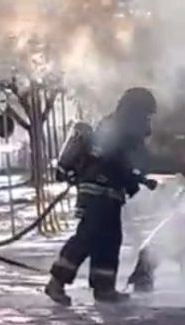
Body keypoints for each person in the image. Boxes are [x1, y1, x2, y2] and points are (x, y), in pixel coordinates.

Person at [44, 87, 161, 305]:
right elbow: (112, 160)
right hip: (97, 192)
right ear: (135, 111)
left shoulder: (121, 128)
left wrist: (140, 179)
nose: (147, 121)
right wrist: (137, 176)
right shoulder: (115, 128)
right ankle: (56, 282)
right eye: (146, 114)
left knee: (109, 241)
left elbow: (124, 163)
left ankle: (104, 289)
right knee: (86, 238)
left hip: (110, 193)